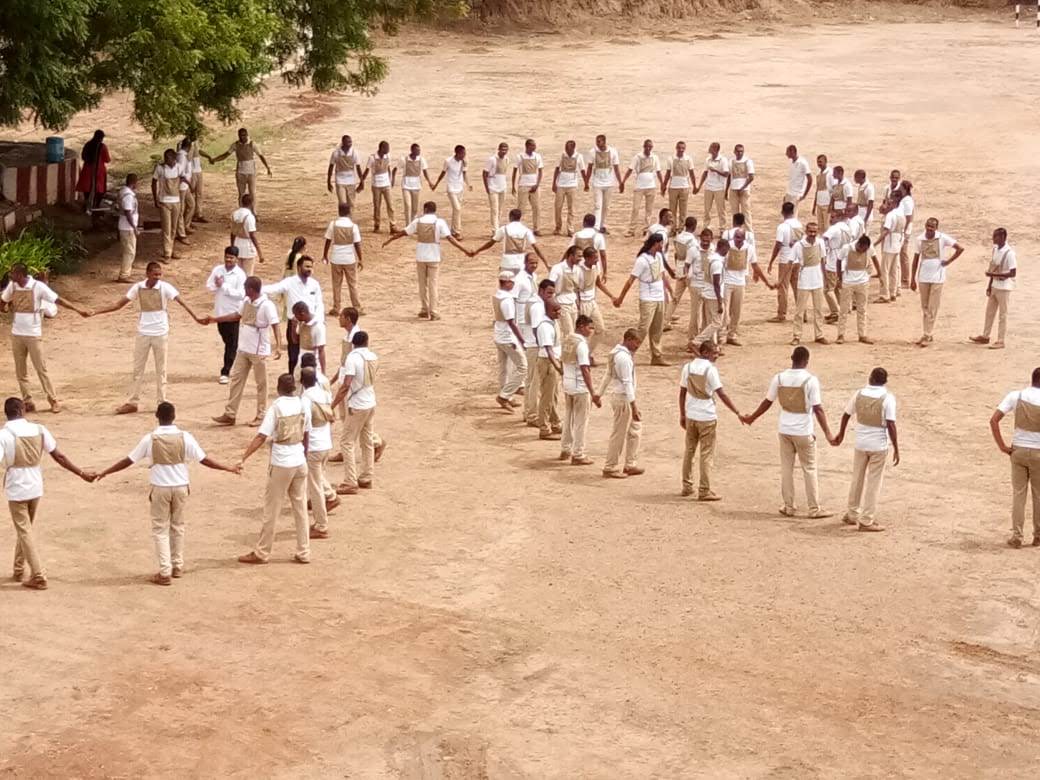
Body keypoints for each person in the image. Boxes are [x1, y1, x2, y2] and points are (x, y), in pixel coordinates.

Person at [95, 402, 240, 584]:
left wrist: (105, 471)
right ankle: (177, 565)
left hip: (160, 487)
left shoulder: (150, 438)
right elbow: (205, 460)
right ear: (174, 416)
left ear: (157, 416)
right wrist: (228, 468)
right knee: (178, 526)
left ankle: (165, 571)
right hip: (181, 487)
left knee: (160, 529)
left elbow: (128, 460)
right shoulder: (185, 437)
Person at [1, 397, 96, 590]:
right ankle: (19, 568)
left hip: (16, 485)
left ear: (6, 413)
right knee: (25, 529)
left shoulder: (3, 434)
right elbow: (59, 456)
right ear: (22, 410)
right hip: (35, 484)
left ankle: (38, 574)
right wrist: (81, 473)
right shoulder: (39, 429)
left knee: (24, 530)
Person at [92, 262, 204, 414]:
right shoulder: (138, 287)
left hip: (160, 333)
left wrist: (195, 317)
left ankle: (162, 402)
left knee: (161, 370)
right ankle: (133, 402)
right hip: (143, 333)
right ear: (147, 274)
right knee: (138, 369)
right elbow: (119, 304)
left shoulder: (165, 287)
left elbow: (181, 301)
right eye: (155, 274)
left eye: (159, 274)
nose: (157, 277)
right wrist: (95, 312)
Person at [741, 346, 836, 519]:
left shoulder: (779, 378)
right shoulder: (810, 380)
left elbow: (767, 402)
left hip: (784, 428)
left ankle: (789, 505)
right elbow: (818, 409)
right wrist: (828, 434)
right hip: (803, 430)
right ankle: (814, 508)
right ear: (806, 361)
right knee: (809, 468)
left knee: (786, 469)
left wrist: (752, 417)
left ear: (791, 359)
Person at [237, 373, 312, 564]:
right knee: (300, 507)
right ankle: (304, 551)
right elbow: (306, 433)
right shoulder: (303, 404)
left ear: (279, 389)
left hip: (282, 462)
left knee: (272, 509)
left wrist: (244, 457)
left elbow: (261, 436)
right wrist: (304, 453)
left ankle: (262, 552)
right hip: (299, 459)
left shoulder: (276, 408)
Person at [1, 263, 91, 413]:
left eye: (14, 274)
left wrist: (78, 309)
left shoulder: (38, 287)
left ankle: (53, 399)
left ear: (21, 275)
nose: (11, 277)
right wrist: (5, 307)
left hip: (33, 334)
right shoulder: (13, 286)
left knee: (41, 369)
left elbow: (58, 300)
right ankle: (27, 400)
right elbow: (3, 300)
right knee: (20, 371)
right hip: (17, 333)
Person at [831, 368, 899, 532]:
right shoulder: (887, 398)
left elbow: (846, 415)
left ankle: (852, 513)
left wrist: (841, 433)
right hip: (878, 446)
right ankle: (867, 519)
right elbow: (891, 424)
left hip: (861, 443)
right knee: (873, 483)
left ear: (870, 378)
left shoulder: (859, 394)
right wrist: (896, 447)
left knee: (857, 479)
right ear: (885, 381)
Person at [209, 276, 282, 426]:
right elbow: (237, 315)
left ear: (250, 289)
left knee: (261, 383)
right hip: (244, 348)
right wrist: (216, 319)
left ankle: (261, 415)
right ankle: (230, 413)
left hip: (259, 349)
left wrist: (279, 346)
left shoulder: (267, 305)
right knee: (236, 379)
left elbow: (275, 325)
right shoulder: (247, 302)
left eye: (245, 288)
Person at [678, 341, 743, 499]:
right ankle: (704, 489)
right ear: (705, 352)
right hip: (706, 416)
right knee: (706, 454)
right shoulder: (710, 370)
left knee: (689, 451)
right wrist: (737, 412)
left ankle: (687, 485)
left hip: (691, 414)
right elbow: (721, 394)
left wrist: (682, 414)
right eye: (714, 352)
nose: (717, 355)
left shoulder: (688, 367)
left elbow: (682, 393)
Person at [383, 201, 467, 321]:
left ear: (425, 209)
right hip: (434, 256)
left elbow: (403, 232)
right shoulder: (439, 222)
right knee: (433, 285)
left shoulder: (418, 221)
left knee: (422, 285)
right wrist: (464, 250)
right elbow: (450, 238)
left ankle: (424, 309)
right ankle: (433, 311)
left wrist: (390, 240)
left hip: (421, 256)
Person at [991, 368, 1040, 548]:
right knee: (1038, 495)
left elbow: (994, 420)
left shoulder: (1016, 396)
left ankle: (1017, 536)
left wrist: (1002, 446)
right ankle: (1038, 535)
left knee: (1019, 495)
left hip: (1018, 450)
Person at [613, 234, 672, 366]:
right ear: (655, 244)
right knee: (643, 328)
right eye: (661, 243)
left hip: (659, 296)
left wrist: (669, 291)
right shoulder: (642, 260)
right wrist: (621, 298)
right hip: (647, 297)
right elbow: (630, 280)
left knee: (657, 328)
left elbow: (663, 275)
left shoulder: (658, 257)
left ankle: (656, 355)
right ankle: (629, 353)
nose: (662, 246)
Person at [332, 330, 378, 494]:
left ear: (354, 344)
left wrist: (332, 404)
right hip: (370, 401)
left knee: (347, 442)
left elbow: (346, 385)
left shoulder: (353, 358)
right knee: (367, 442)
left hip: (357, 404)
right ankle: (366, 476)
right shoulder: (373, 356)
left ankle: (350, 481)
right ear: (366, 342)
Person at [263, 255, 324, 373]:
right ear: (299, 267)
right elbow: (274, 289)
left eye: (311, 267)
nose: (309, 269)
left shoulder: (314, 284)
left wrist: (319, 321)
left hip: (311, 324)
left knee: (311, 355)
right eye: (306, 266)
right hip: (294, 323)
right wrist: (255, 288)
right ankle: (292, 382)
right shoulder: (290, 282)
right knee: (293, 356)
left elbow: (319, 304)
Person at [910, 217, 964, 347]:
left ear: (936, 228)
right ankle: (927, 332)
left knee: (932, 306)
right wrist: (912, 278)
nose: (929, 229)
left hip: (937, 277)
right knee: (925, 306)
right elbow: (916, 259)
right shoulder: (919, 240)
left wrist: (949, 261)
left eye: (932, 227)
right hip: (923, 276)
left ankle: (927, 334)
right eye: (928, 226)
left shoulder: (942, 238)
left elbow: (960, 248)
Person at [299, 367, 339, 540]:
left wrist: (304, 448)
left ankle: (321, 525)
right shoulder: (324, 394)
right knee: (319, 477)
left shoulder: (305, 399)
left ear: (301, 382)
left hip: (314, 446)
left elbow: (305, 426)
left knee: (314, 486)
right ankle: (331, 495)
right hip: (326, 443)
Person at [599, 329, 643, 478]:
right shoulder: (624, 358)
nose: (638, 346)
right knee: (619, 433)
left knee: (635, 429)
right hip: (623, 398)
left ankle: (630, 464)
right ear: (629, 339)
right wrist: (634, 405)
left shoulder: (615, 353)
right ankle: (610, 466)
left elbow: (608, 375)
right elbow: (627, 383)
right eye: (636, 342)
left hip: (620, 397)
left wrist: (599, 394)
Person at [560, 315, 601, 465]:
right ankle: (578, 453)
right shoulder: (581, 345)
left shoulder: (568, 339)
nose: (591, 331)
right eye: (590, 327)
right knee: (581, 421)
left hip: (567, 384)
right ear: (582, 326)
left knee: (568, 417)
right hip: (579, 386)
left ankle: (565, 448)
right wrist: (593, 392)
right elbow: (585, 369)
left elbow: (561, 361)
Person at [723, 229, 771, 346]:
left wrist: (766, 282)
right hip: (727, 282)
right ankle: (720, 336)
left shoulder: (749, 248)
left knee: (736, 311)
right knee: (723, 311)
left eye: (739, 237)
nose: (737, 239)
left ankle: (732, 334)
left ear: (744, 238)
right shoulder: (727, 246)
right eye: (736, 237)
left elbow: (755, 265)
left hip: (740, 282)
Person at [206, 246, 247, 384]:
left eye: (231, 258)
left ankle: (226, 371)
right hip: (220, 312)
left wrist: (224, 287)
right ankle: (233, 360)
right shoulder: (218, 270)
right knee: (226, 339)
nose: (228, 260)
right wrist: (217, 286)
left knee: (231, 343)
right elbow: (209, 285)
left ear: (236, 259)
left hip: (234, 313)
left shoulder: (240, 275)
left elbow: (241, 294)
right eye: (227, 257)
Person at [970, 228, 1017, 350]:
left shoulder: (1010, 253)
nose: (993, 238)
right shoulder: (995, 249)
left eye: (996, 236)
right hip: (995, 285)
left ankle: (1001, 340)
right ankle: (985, 335)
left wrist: (994, 276)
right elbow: (993, 268)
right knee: (989, 312)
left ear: (1002, 237)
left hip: (1004, 287)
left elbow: (1013, 273)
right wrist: (989, 284)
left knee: (1003, 315)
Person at [208, 128, 271, 214]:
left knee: (252, 193)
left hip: (251, 172)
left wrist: (267, 167)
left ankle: (253, 212)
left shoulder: (252, 144)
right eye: (241, 135)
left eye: (244, 135)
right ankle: (243, 212)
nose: (243, 137)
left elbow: (261, 156)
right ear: (238, 136)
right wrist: (215, 160)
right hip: (240, 172)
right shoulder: (235, 145)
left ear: (247, 135)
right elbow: (226, 155)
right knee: (241, 193)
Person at [470, 208, 547, 274]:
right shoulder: (526, 230)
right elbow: (536, 247)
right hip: (520, 262)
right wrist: (546, 263)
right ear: (520, 218)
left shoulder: (504, 228)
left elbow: (491, 243)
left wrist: (477, 251)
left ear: (510, 217)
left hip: (507, 262)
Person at [492, 271, 528, 412]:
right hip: (508, 337)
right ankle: (505, 395)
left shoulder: (497, 295)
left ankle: (507, 394)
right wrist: (521, 340)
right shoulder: (507, 300)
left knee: (504, 368)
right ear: (507, 282)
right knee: (522, 367)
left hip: (499, 335)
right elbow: (512, 322)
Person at [835, 236, 880, 345]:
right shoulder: (847, 248)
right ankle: (840, 334)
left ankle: (862, 334)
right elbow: (839, 261)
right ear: (859, 245)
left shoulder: (869, 249)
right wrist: (840, 278)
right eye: (863, 249)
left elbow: (874, 258)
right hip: (848, 282)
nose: (864, 251)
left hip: (862, 282)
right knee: (844, 309)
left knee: (862, 309)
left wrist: (879, 272)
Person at [790, 220, 828, 346]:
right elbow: (790, 262)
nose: (812, 234)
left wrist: (825, 278)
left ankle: (819, 334)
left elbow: (823, 261)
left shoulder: (821, 243)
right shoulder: (799, 245)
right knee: (800, 310)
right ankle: (797, 335)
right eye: (810, 231)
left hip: (817, 279)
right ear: (806, 231)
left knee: (818, 309)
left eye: (814, 232)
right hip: (804, 279)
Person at [521, 266, 550, 428]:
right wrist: (542, 345)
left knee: (531, 380)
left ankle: (528, 412)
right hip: (534, 345)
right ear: (541, 291)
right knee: (535, 382)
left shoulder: (534, 301)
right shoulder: (537, 306)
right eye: (549, 293)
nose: (551, 296)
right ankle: (532, 415)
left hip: (531, 344)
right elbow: (536, 326)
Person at [322, 202, 363, 314]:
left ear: (339, 211)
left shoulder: (333, 224)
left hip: (336, 257)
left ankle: (336, 307)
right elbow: (357, 244)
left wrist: (325, 254)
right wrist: (360, 259)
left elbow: (328, 240)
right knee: (352, 284)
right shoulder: (353, 226)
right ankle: (357, 306)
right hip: (349, 258)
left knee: (336, 284)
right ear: (349, 212)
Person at [767, 201, 803, 323]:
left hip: (786, 259)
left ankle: (781, 313)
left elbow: (778, 245)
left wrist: (771, 260)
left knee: (783, 287)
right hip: (797, 259)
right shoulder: (798, 224)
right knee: (797, 286)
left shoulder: (782, 227)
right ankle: (802, 313)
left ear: (783, 212)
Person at [578, 246, 616, 358]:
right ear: (587, 258)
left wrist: (611, 296)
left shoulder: (595, 267)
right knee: (582, 332)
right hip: (583, 303)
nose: (597, 260)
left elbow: (598, 282)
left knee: (600, 329)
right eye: (594, 258)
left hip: (592, 302)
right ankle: (581, 356)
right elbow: (576, 290)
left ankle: (587, 354)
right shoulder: (579, 270)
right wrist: (578, 305)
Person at [152, 148, 189, 261]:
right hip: (164, 201)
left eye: (169, 158)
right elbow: (153, 182)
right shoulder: (160, 168)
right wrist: (155, 199)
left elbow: (183, 177)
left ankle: (170, 249)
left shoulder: (178, 167)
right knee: (166, 228)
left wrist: (188, 185)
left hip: (176, 201)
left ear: (174, 158)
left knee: (173, 228)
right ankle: (167, 253)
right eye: (166, 158)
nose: (167, 160)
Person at [534, 299, 564, 440]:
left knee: (553, 395)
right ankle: (544, 428)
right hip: (548, 362)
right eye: (556, 310)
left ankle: (555, 422)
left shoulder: (553, 322)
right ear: (548, 311)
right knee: (547, 397)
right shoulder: (545, 326)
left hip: (553, 361)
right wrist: (557, 366)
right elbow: (548, 349)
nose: (559, 312)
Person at [692, 238, 727, 350]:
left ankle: (711, 346)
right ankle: (697, 341)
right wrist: (720, 301)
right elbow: (716, 283)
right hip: (713, 295)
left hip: (706, 292)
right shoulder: (717, 263)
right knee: (717, 323)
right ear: (723, 248)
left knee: (709, 322)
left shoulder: (710, 258)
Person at [585, 134, 623, 233]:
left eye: (599, 141)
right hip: (597, 182)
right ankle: (596, 227)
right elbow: (589, 168)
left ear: (604, 141)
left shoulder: (613, 152)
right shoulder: (592, 152)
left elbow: (616, 168)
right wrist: (586, 181)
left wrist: (620, 182)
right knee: (598, 205)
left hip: (609, 182)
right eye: (596, 141)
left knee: (606, 206)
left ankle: (602, 225)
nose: (597, 143)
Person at [624, 139, 662, 237]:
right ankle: (632, 229)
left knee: (649, 209)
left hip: (651, 186)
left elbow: (658, 171)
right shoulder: (637, 157)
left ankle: (646, 228)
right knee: (635, 208)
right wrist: (623, 181)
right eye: (647, 146)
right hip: (639, 186)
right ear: (644, 146)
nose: (648, 148)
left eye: (650, 147)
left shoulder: (655, 157)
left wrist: (662, 183)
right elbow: (630, 170)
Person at [431, 145, 469, 238]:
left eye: (464, 153)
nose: (464, 155)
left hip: (460, 188)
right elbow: (442, 173)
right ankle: (457, 232)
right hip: (451, 188)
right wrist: (436, 184)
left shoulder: (464, 161)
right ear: (457, 153)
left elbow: (464, 173)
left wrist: (468, 184)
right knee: (457, 208)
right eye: (462, 153)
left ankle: (453, 230)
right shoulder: (448, 161)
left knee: (457, 210)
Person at [875, 198, 906, 303]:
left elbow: (886, 231)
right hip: (897, 243)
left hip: (890, 244)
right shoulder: (901, 214)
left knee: (885, 270)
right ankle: (893, 292)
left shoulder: (890, 215)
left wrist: (876, 243)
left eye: (888, 204)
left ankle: (885, 295)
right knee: (893, 270)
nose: (886, 206)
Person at [549, 245, 584, 336]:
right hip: (561, 303)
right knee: (569, 332)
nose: (580, 259)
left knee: (574, 331)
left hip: (572, 303)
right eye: (579, 256)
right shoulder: (557, 268)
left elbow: (577, 289)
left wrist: (578, 303)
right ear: (571, 255)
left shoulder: (577, 270)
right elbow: (550, 287)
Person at [361, 140, 396, 232]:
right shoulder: (372, 158)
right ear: (382, 148)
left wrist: (390, 180)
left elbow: (389, 168)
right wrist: (362, 181)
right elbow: (367, 170)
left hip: (386, 184)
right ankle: (377, 225)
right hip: (376, 185)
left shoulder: (388, 156)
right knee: (377, 206)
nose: (388, 150)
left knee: (390, 205)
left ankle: (392, 225)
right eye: (387, 148)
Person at [552, 140, 584, 236]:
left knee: (571, 208)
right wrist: (554, 183)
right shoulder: (562, 156)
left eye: (569, 149)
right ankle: (558, 227)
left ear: (573, 148)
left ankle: (570, 229)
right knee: (558, 207)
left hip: (572, 185)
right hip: (561, 185)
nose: (567, 150)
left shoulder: (579, 157)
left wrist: (586, 182)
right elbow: (557, 169)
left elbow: (583, 170)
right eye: (566, 148)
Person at [512, 138, 544, 235]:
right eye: (532, 146)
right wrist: (513, 185)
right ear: (527, 146)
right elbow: (515, 171)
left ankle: (537, 228)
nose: (534, 147)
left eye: (534, 145)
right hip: (523, 185)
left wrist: (537, 184)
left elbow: (541, 171)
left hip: (534, 185)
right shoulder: (520, 156)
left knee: (536, 207)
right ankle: (517, 227)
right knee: (521, 208)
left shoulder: (537, 156)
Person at [76, 129, 110, 212]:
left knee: (87, 190)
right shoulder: (102, 147)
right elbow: (107, 159)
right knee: (99, 190)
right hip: (98, 172)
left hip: (87, 170)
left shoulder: (87, 144)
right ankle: (95, 206)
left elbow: (83, 156)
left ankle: (87, 205)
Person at [399, 143, 433, 225]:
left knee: (415, 208)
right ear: (412, 150)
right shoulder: (404, 159)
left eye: (419, 150)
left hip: (416, 186)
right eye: (417, 150)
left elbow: (425, 172)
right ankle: (408, 225)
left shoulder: (421, 160)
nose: (419, 152)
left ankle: (413, 224)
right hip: (406, 185)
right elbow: (396, 169)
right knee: (408, 205)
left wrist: (429, 182)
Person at [662, 141, 695, 226]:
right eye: (679, 148)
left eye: (683, 148)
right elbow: (668, 173)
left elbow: (691, 173)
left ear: (685, 149)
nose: (681, 150)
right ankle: (673, 228)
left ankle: (681, 228)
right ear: (676, 148)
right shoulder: (671, 159)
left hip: (684, 187)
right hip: (673, 187)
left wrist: (694, 185)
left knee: (683, 210)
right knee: (672, 210)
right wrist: (664, 185)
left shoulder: (688, 159)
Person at [229, 194, 263, 275]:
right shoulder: (249, 216)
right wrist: (260, 252)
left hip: (237, 244)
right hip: (248, 247)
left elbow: (232, 232)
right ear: (251, 203)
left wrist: (232, 246)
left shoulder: (234, 214)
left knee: (237, 274)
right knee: (248, 274)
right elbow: (252, 235)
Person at [291, 301, 327, 375]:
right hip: (301, 361)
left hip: (313, 362)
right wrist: (293, 327)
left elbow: (321, 350)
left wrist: (323, 372)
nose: (294, 317)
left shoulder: (318, 326)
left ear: (302, 314)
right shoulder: (301, 323)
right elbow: (295, 341)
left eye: (296, 315)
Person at [699, 142, 729, 230]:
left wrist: (716, 170)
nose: (709, 149)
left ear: (716, 149)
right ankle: (706, 227)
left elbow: (726, 174)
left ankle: (722, 228)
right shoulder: (708, 159)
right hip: (708, 187)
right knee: (707, 209)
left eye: (711, 147)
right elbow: (705, 173)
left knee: (721, 210)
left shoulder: (723, 160)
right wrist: (700, 185)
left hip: (719, 188)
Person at [327, 135, 363, 207]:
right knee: (342, 203)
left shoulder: (354, 152)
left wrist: (362, 182)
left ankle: (350, 218)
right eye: (348, 142)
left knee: (351, 203)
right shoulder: (336, 153)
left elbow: (358, 168)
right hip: (340, 180)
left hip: (351, 181)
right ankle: (343, 218)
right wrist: (328, 182)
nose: (350, 144)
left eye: (350, 142)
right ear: (343, 142)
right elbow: (331, 167)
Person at [116, 173, 140, 282]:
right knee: (129, 251)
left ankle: (126, 272)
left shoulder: (123, 192)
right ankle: (124, 275)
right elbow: (128, 212)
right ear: (134, 183)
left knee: (128, 250)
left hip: (124, 226)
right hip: (127, 227)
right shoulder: (128, 196)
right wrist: (134, 227)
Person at [570, 213, 608, 278]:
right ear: (594, 224)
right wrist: (605, 272)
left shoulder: (577, 235)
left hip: (578, 267)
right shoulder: (598, 236)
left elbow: (569, 251)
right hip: (593, 267)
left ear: (584, 223)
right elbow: (603, 255)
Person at [484, 142, 510, 232]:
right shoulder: (492, 159)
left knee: (500, 209)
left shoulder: (507, 159)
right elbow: (485, 173)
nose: (504, 151)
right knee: (494, 209)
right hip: (493, 187)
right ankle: (495, 229)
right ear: (498, 149)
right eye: (502, 149)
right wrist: (487, 187)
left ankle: (497, 227)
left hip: (502, 187)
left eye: (506, 150)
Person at [727, 143, 755, 228]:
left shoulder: (748, 161)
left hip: (744, 190)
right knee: (734, 212)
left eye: (741, 151)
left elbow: (751, 177)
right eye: (738, 151)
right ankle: (735, 230)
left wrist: (743, 187)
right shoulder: (731, 161)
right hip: (733, 189)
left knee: (746, 212)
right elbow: (729, 176)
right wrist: (726, 190)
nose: (740, 153)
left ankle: (749, 232)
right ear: (734, 152)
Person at [175, 138, 197, 238]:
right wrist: (190, 183)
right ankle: (180, 231)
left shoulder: (184, 155)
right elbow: (181, 173)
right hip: (182, 186)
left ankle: (185, 225)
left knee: (191, 204)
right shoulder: (181, 157)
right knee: (181, 209)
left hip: (185, 185)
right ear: (189, 147)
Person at [784, 145, 812, 217]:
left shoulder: (803, 163)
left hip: (796, 194)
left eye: (787, 152)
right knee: (786, 213)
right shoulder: (791, 163)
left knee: (793, 215)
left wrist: (804, 195)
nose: (786, 154)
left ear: (792, 151)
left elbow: (810, 179)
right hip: (789, 193)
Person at [897, 181, 916, 289]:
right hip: (904, 230)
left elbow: (908, 218)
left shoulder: (907, 201)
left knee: (903, 254)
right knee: (902, 254)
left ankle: (905, 279)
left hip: (905, 231)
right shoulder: (905, 200)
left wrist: (903, 231)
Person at [186, 133, 207, 225]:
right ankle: (188, 215)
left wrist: (208, 156)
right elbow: (186, 157)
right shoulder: (184, 144)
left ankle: (198, 213)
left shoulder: (196, 143)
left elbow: (199, 152)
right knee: (191, 192)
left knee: (200, 193)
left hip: (198, 170)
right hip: (191, 171)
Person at [810, 154, 833, 228]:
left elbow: (833, 190)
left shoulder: (830, 173)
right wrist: (814, 206)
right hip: (819, 204)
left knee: (827, 226)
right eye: (818, 162)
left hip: (827, 204)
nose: (819, 164)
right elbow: (817, 190)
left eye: (820, 162)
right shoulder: (818, 174)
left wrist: (831, 205)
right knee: (820, 226)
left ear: (826, 162)